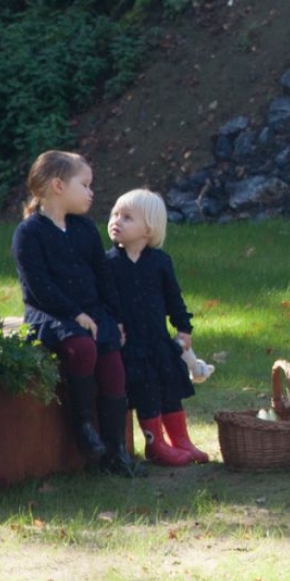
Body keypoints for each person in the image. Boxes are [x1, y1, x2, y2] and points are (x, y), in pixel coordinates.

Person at [11, 150, 144, 478]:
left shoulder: (84, 229)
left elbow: (103, 277)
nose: (91, 192)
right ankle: (83, 428)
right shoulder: (29, 234)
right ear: (58, 185)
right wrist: (74, 313)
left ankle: (117, 451)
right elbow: (39, 288)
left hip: (92, 312)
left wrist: (115, 317)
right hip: (51, 314)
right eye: (84, 184)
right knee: (82, 348)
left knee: (112, 359)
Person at [107, 188, 209, 466]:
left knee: (170, 391)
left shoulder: (160, 263)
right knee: (146, 392)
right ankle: (156, 444)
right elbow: (105, 300)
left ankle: (182, 440)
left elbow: (173, 298)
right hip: (132, 346)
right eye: (115, 214)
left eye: (127, 217)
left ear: (148, 229)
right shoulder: (109, 264)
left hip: (158, 342)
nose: (116, 221)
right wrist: (112, 324)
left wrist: (183, 329)